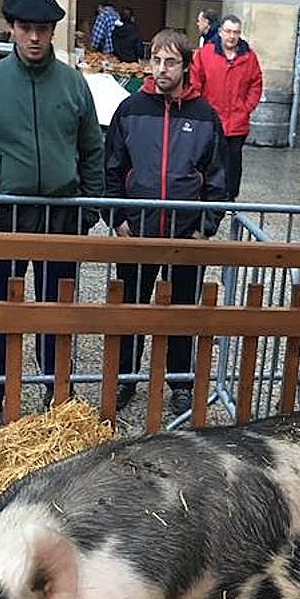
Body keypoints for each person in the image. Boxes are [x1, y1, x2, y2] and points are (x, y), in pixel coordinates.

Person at [0, 0, 104, 432]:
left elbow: (92, 148)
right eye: (26, 28)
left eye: (42, 29)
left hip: (60, 214)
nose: (34, 37)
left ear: (52, 31)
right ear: (12, 29)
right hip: (3, 214)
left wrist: (88, 208)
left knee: (57, 308)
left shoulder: (73, 84)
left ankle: (57, 389)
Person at [104, 28, 226, 416]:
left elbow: (219, 177)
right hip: (138, 230)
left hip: (184, 233)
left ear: (186, 66)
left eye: (170, 62)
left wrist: (205, 226)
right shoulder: (130, 110)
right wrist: (117, 217)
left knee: (182, 312)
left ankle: (181, 383)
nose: (161, 69)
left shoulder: (205, 116)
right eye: (156, 60)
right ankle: (125, 378)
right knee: (131, 310)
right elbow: (112, 167)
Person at [194, 13, 264, 201]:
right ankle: (207, 197)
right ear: (220, 32)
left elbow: (256, 84)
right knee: (207, 160)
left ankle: (230, 198)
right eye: (228, 31)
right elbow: (196, 82)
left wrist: (246, 108)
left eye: (236, 32)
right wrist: (202, 110)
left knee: (233, 164)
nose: (232, 36)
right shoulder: (205, 54)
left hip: (237, 122)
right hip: (211, 120)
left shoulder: (249, 57)